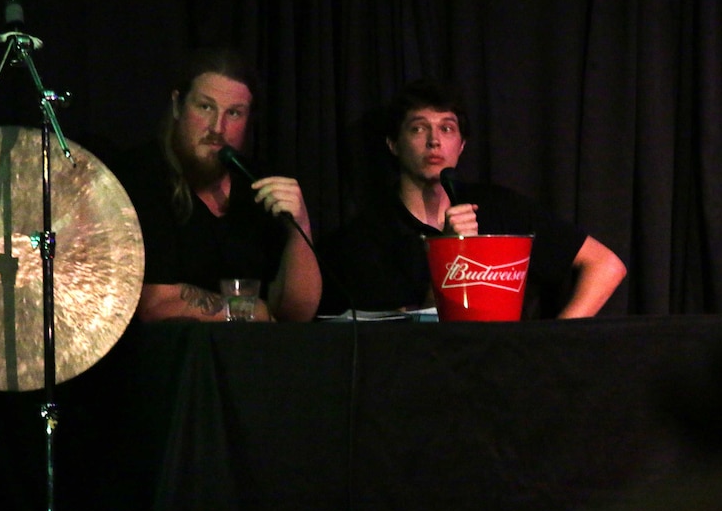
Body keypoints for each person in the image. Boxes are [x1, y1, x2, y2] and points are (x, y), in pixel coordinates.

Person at [319, 79, 626, 318]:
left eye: (447, 128)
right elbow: (418, 329)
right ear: (394, 144)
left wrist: (558, 341)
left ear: (462, 145)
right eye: (418, 128)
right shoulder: (372, 234)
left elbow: (606, 265)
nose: (434, 141)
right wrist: (452, 250)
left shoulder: (496, 206)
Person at [112, 47, 322, 322]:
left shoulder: (259, 182)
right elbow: (154, 303)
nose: (217, 127)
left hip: (254, 358)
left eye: (234, 113)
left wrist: (300, 227)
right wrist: (254, 310)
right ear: (177, 105)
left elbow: (297, 313)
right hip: (170, 358)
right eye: (205, 107)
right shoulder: (139, 174)